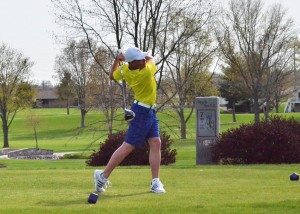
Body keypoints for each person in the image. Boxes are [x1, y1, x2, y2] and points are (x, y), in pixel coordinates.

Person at [93, 47, 166, 194]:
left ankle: (155, 182)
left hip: (149, 111)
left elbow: (112, 76)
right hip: (141, 112)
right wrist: (140, 55)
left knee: (156, 142)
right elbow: (152, 58)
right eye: (140, 59)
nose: (143, 60)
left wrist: (117, 59)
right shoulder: (146, 72)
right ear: (135, 63)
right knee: (128, 146)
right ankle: (102, 176)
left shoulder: (126, 70)